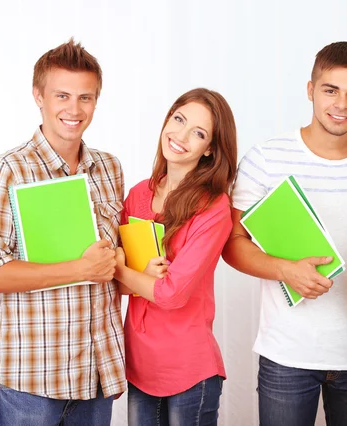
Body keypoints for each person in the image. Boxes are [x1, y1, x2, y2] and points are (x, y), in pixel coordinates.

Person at [222, 41, 347, 426]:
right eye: (330, 90)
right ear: (310, 89)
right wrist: (285, 270)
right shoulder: (266, 157)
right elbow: (233, 245)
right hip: (287, 355)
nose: (341, 104)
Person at [0, 39, 126, 425]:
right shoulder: (6, 171)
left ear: (96, 101)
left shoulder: (109, 169)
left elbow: (114, 260)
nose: (74, 109)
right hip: (31, 381)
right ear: (39, 96)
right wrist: (80, 269)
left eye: (86, 97)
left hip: (96, 377)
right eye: (62, 95)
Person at [113, 88, 237, 426]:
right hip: (139, 364)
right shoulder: (140, 193)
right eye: (178, 119)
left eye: (198, 133)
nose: (180, 136)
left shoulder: (213, 207)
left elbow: (171, 294)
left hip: (189, 371)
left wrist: (122, 269)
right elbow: (113, 285)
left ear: (210, 149)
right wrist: (130, 274)